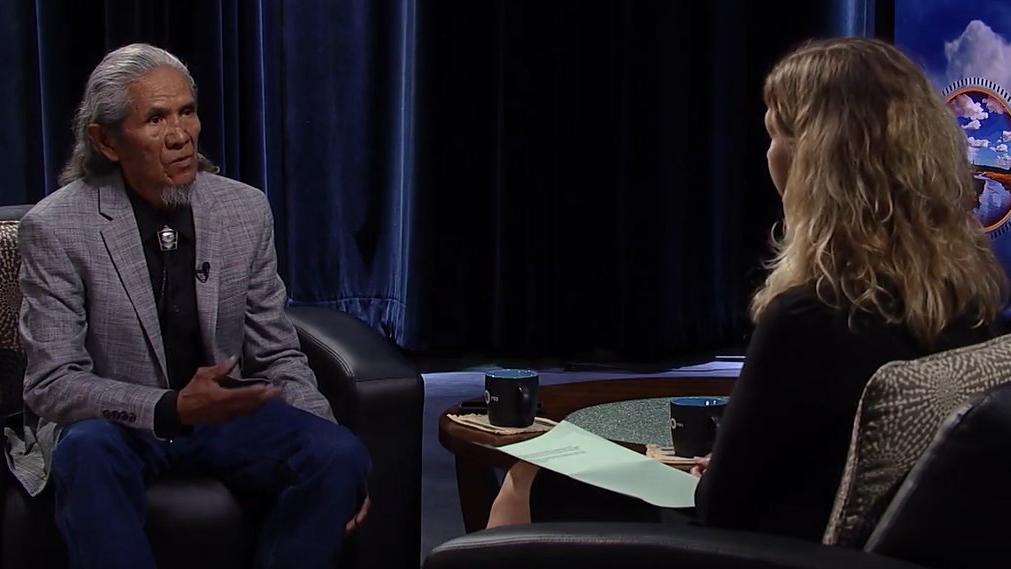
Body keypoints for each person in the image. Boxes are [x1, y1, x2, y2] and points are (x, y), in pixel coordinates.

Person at [487, 37, 1007, 541]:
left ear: (812, 160)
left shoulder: (810, 317)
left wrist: (710, 478)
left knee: (532, 477)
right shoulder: (973, 302)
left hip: (761, 554)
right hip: (842, 538)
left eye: (773, 134)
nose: (768, 154)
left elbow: (721, 507)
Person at [8, 43, 371, 568]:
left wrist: (337, 450)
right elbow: (52, 384)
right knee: (85, 450)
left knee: (340, 454)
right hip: (118, 426)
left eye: (187, 112)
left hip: (222, 420)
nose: (181, 135)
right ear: (105, 141)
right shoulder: (58, 228)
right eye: (155, 119)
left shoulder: (243, 209)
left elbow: (277, 354)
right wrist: (169, 408)